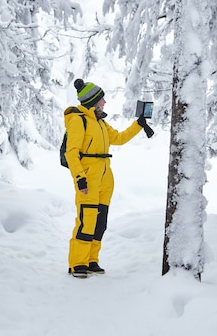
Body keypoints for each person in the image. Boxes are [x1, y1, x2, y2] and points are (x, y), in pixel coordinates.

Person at [63, 78, 153, 278]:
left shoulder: (101, 122)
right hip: (88, 179)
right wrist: (80, 178)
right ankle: (77, 263)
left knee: (100, 223)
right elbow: (72, 153)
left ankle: (91, 260)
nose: (104, 103)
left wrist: (138, 125)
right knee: (86, 221)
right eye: (102, 100)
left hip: (105, 180)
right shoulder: (79, 121)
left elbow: (118, 138)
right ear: (93, 101)